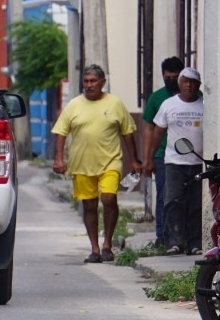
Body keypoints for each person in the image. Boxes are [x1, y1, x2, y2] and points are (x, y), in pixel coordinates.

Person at [52, 64, 140, 263]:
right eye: (86, 81)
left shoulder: (115, 103)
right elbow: (61, 132)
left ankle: (108, 243)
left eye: (93, 81)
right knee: (89, 205)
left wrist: (134, 160)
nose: (89, 85)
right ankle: (95, 248)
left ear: (102, 83)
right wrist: (58, 158)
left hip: (110, 161)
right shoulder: (74, 105)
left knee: (109, 198)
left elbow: (127, 132)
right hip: (81, 164)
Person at [142, 67, 205, 255]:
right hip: (174, 162)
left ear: (198, 85)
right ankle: (173, 242)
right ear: (180, 83)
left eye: (193, 82)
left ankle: (195, 242)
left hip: (198, 162)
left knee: (196, 203)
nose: (189, 85)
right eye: (185, 81)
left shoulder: (205, 105)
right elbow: (157, 132)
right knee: (172, 201)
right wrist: (149, 158)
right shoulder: (168, 105)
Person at [142, 57, 184, 247]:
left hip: (188, 156)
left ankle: (183, 235)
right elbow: (149, 129)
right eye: (167, 77)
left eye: (175, 77)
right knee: (163, 196)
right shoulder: (157, 98)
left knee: (186, 198)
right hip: (162, 155)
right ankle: (162, 234)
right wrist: (147, 158)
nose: (171, 81)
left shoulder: (196, 95)